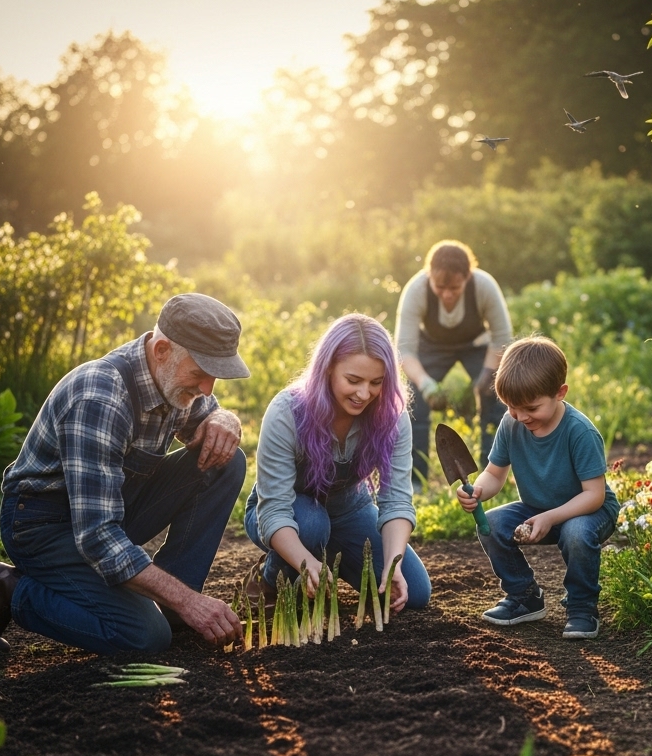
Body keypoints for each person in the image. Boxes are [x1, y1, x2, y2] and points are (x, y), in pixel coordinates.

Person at [0, 293, 250, 656]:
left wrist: (224, 419)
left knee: (227, 460)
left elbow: (206, 417)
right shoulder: (100, 398)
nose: (207, 388)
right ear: (161, 351)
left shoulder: (173, 379)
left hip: (111, 508)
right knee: (144, 636)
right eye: (201, 373)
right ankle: (7, 588)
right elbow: (98, 537)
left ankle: (174, 608)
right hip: (45, 526)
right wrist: (191, 601)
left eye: (215, 377)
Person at [243, 313, 431, 615]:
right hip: (291, 512)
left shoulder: (392, 416)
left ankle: (327, 554)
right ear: (328, 368)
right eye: (353, 380)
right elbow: (274, 509)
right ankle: (270, 578)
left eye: (376, 382)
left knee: (415, 593)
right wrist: (306, 563)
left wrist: (392, 564)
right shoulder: (287, 412)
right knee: (312, 523)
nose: (364, 394)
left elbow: (396, 500)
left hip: (349, 509)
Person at [456, 336, 619, 639]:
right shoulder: (511, 423)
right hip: (538, 507)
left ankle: (582, 608)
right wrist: (477, 491)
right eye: (511, 407)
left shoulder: (579, 432)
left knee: (576, 533)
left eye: (530, 407)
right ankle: (524, 597)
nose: (521, 416)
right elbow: (494, 473)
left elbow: (594, 495)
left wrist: (552, 517)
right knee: (491, 524)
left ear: (560, 393)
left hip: (589, 511)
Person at [394, 240, 512, 491]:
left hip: (477, 345)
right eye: (440, 287)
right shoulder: (416, 290)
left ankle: (493, 476)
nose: (447, 294)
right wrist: (426, 385)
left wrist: (487, 377)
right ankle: (416, 480)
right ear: (429, 276)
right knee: (413, 399)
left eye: (455, 287)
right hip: (432, 346)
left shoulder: (484, 286)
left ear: (467, 277)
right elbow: (404, 350)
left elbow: (502, 339)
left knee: (496, 395)